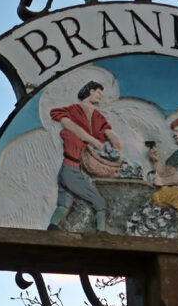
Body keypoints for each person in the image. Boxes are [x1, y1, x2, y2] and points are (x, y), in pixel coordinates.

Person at [47, 81, 125, 233]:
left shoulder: (97, 117)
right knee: (99, 202)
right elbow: (74, 129)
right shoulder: (72, 110)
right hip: (72, 169)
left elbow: (111, 135)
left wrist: (116, 145)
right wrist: (96, 142)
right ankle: (101, 231)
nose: (101, 96)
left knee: (64, 205)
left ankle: (52, 228)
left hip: (71, 169)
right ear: (89, 91)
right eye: (98, 93)